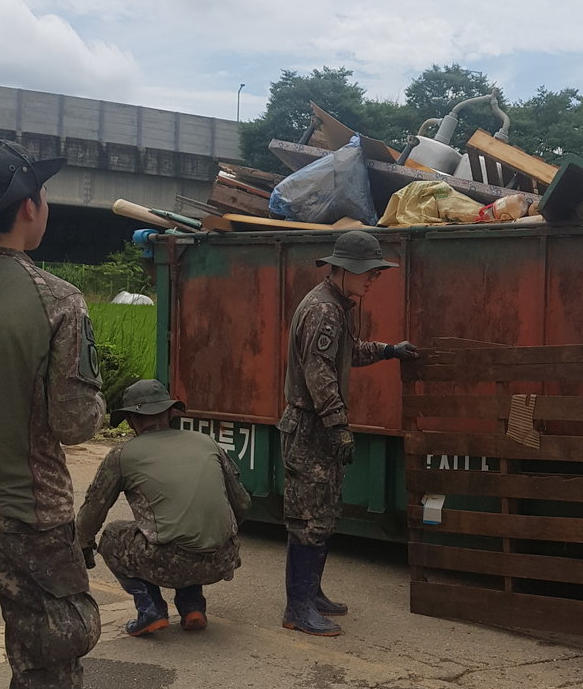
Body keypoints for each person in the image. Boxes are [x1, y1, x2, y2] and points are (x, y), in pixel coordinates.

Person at [0, 140, 105, 689]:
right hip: (28, 521)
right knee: (45, 669)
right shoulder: (58, 300)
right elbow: (71, 424)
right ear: (28, 209)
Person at [280, 229, 419, 636]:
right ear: (342, 270)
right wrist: (338, 423)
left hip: (318, 424)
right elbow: (318, 372)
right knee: (308, 517)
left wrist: (388, 350)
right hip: (311, 426)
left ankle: (311, 593)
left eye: (376, 273)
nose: (373, 279)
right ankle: (297, 607)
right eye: (368, 273)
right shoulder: (323, 310)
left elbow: (347, 351)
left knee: (323, 513)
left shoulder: (337, 306)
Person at [76, 379, 251, 635]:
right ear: (169, 413)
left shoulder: (123, 455)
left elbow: (91, 514)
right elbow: (242, 504)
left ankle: (151, 609)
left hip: (171, 564)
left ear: (131, 421)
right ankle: (192, 605)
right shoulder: (206, 442)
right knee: (182, 530)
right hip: (222, 558)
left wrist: (83, 545)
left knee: (113, 536)